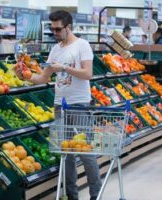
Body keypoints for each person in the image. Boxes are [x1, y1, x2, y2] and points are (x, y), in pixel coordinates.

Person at [15, 10, 101, 200]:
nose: (54, 33)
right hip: (59, 106)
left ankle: (97, 195)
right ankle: (72, 196)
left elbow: (87, 74)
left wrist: (63, 67)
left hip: (79, 104)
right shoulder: (55, 49)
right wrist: (25, 76)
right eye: (52, 29)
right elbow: (43, 78)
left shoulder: (82, 45)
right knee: (66, 153)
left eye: (58, 29)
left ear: (68, 27)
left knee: (86, 153)